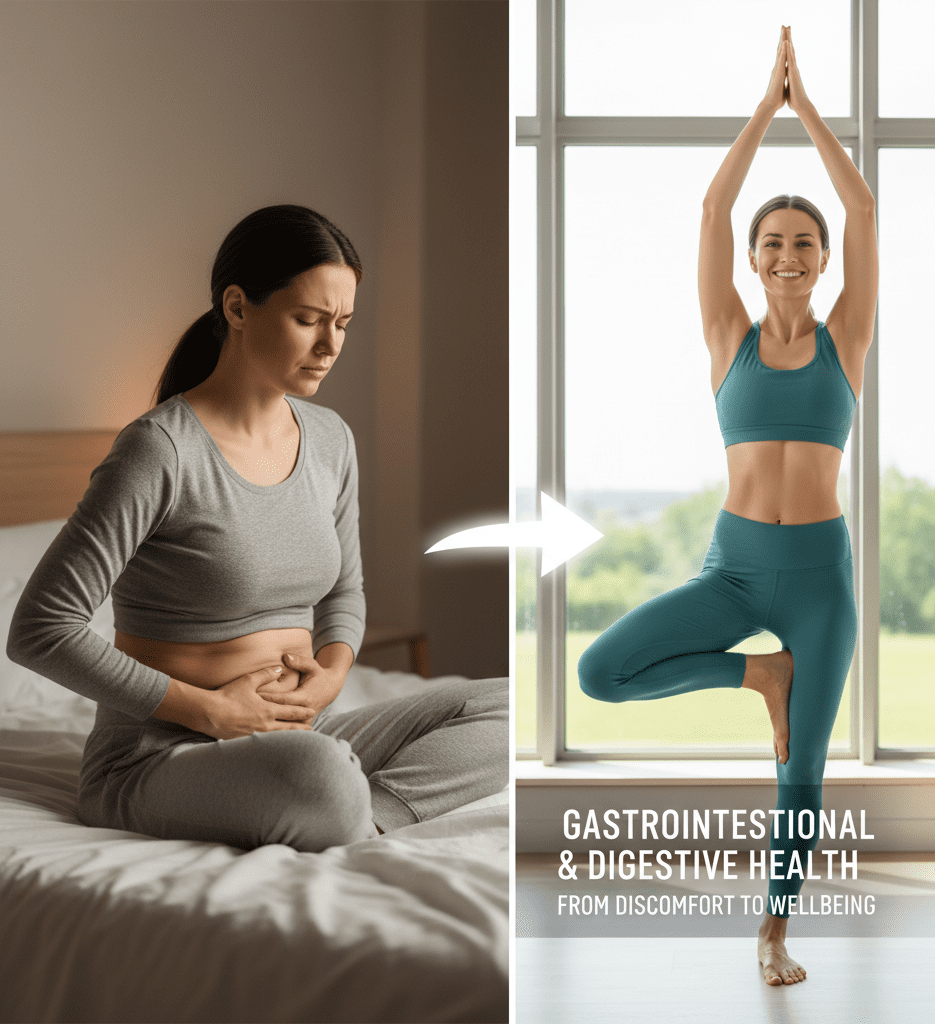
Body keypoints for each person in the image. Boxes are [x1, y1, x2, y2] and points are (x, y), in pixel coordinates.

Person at [7, 203, 508, 852]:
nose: (331, 346)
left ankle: (361, 815)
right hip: (161, 755)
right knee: (321, 778)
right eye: (308, 320)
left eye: (343, 324)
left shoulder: (330, 439)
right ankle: (335, 801)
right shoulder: (161, 449)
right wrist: (213, 711)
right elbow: (41, 629)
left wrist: (331, 675)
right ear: (238, 308)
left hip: (296, 739)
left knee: (502, 707)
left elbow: (344, 593)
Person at [576, 28, 878, 986]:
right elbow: (713, 203)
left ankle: (774, 934)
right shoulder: (727, 338)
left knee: (803, 775)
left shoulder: (848, 340)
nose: (788, 255)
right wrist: (766, 107)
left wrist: (810, 113)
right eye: (773, 243)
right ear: (753, 260)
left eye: (804, 243)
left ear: (824, 260)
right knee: (602, 671)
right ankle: (763, 681)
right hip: (736, 567)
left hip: (821, 580)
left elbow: (864, 203)